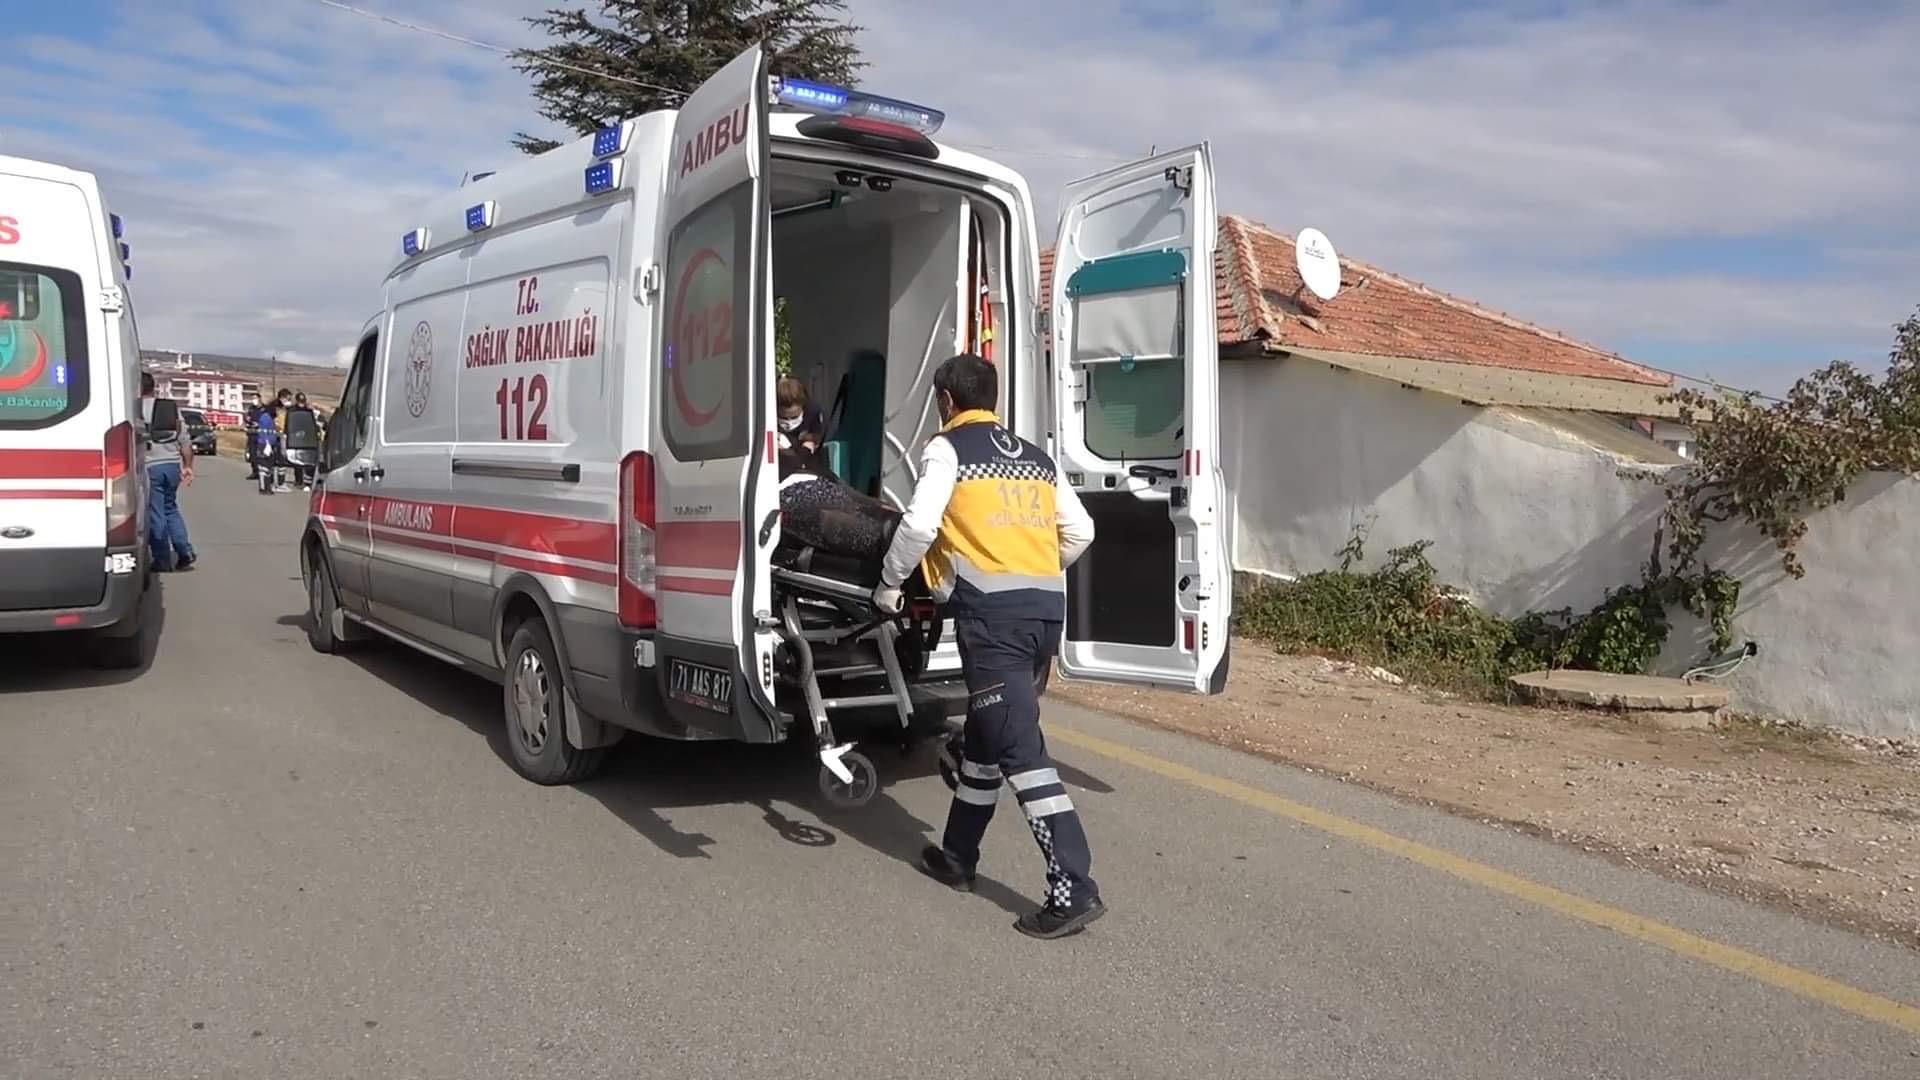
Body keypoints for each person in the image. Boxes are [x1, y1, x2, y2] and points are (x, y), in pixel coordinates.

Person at [871, 352, 1101, 940]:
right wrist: (1034, 570)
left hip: (992, 622)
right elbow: (1080, 531)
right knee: (986, 737)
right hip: (1044, 614)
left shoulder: (947, 450)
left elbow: (920, 526)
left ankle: (1074, 887)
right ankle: (956, 855)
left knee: (1021, 752)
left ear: (946, 402)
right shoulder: (1035, 458)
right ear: (991, 399)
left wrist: (890, 585)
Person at [138, 371, 196, 572]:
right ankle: (184, 552)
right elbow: (185, 441)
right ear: (153, 387)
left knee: (156, 513)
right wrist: (188, 466)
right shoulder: (170, 408)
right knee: (171, 508)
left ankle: (162, 559)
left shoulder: (134, 409)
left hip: (150, 467)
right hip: (172, 466)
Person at [776, 377, 826, 452]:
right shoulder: (766, 417)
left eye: (794, 417)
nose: (789, 423)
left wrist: (811, 442)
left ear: (803, 405)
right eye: (784, 418)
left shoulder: (813, 412)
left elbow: (817, 436)